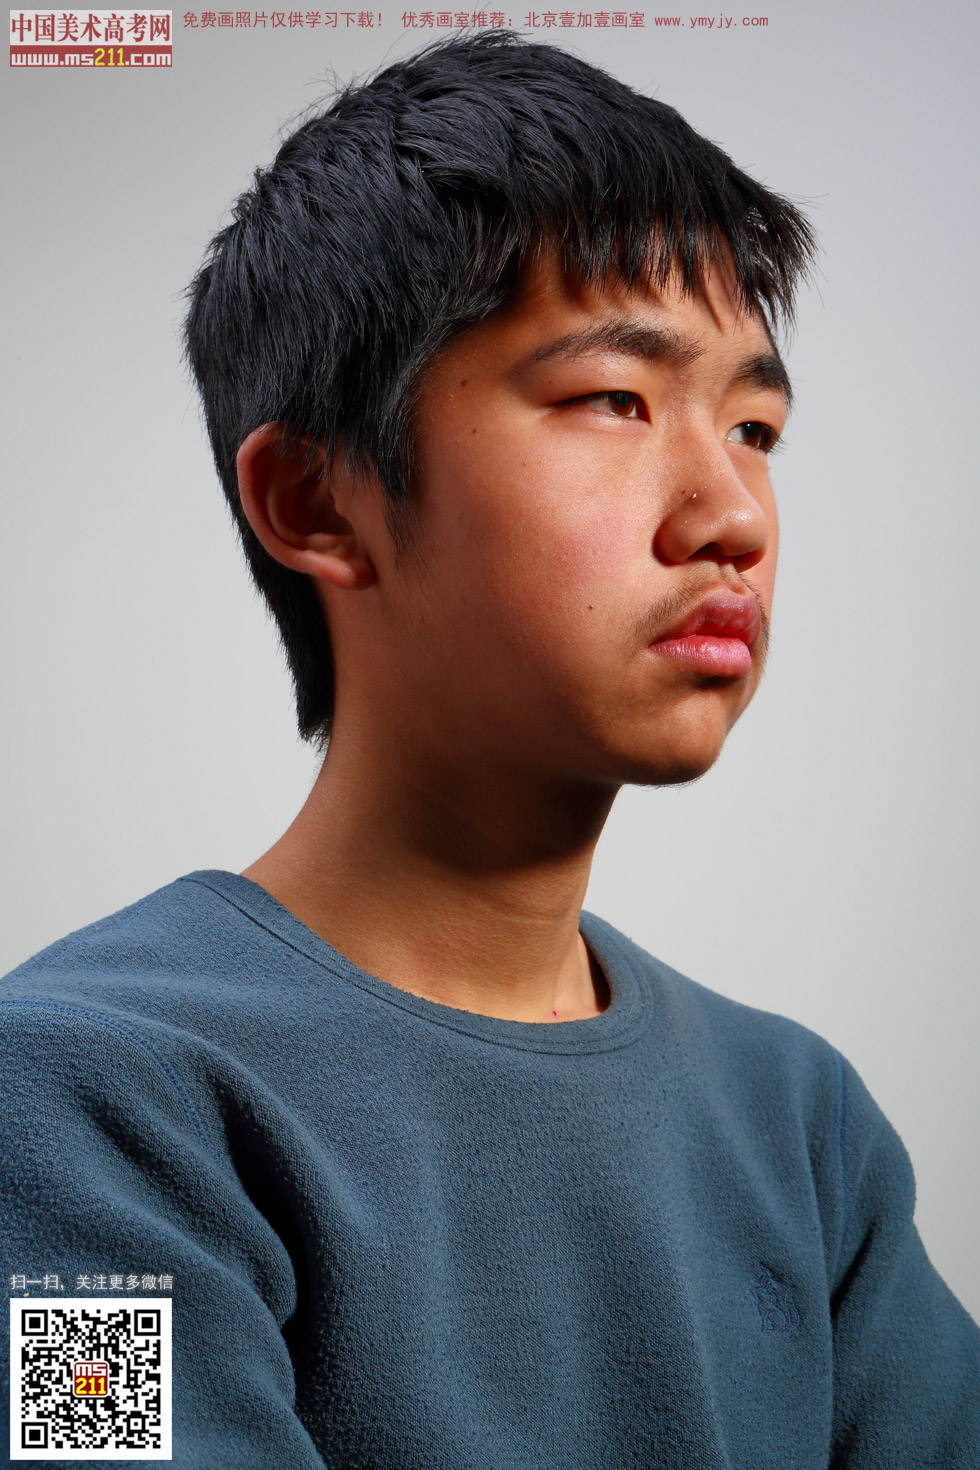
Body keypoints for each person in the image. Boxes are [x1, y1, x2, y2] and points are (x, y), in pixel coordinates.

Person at [2, 30, 977, 1468]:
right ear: (317, 500)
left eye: (757, 426)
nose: (734, 513)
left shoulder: (798, 1122)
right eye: (614, 400)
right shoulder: (79, 1096)